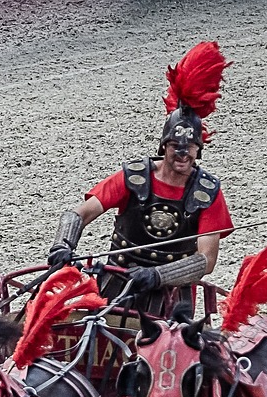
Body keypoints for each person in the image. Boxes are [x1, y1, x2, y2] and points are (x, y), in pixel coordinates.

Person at [48, 41, 234, 316]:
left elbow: (206, 260)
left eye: (189, 148)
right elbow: (81, 213)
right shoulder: (135, 177)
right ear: (164, 146)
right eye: (175, 147)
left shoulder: (207, 192)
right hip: (116, 285)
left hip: (172, 298)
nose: (182, 155)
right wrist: (63, 244)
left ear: (198, 149)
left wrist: (157, 275)